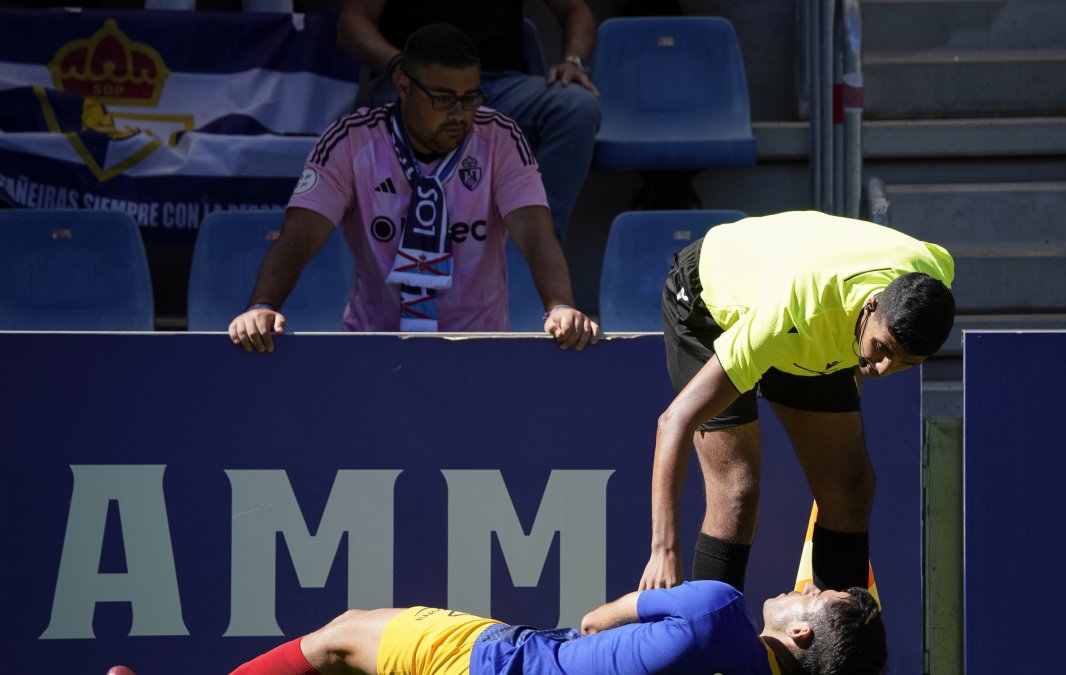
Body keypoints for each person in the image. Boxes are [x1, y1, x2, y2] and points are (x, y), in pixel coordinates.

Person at [228, 24, 598, 353]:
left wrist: (560, 305)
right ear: (403, 85)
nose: (459, 114)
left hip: (480, 349)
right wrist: (263, 305)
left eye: (470, 97)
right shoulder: (351, 140)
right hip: (374, 347)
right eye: (443, 98)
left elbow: (536, 234)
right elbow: (299, 236)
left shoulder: (500, 137)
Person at [640, 211, 955, 594]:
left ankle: (836, 646)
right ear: (872, 304)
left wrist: (871, 354)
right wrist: (662, 549)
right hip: (709, 305)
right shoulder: (791, 315)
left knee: (849, 488)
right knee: (736, 493)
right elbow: (674, 421)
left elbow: (880, 345)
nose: (884, 368)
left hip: (811, 306)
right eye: (883, 349)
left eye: (907, 363)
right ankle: (713, 647)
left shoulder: (935, 273)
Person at [337, 0, 601, 245]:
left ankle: (535, 247)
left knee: (577, 106)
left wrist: (573, 61)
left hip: (502, 84)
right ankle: (425, 249)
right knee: (426, 110)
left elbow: (575, 10)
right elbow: (352, 21)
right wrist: (397, 62)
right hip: (418, 80)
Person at [229, 580, 887, 674]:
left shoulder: (716, 607)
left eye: (815, 595)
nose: (803, 585)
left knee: (342, 635)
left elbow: (595, 620)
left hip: (502, 664)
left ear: (800, 634)